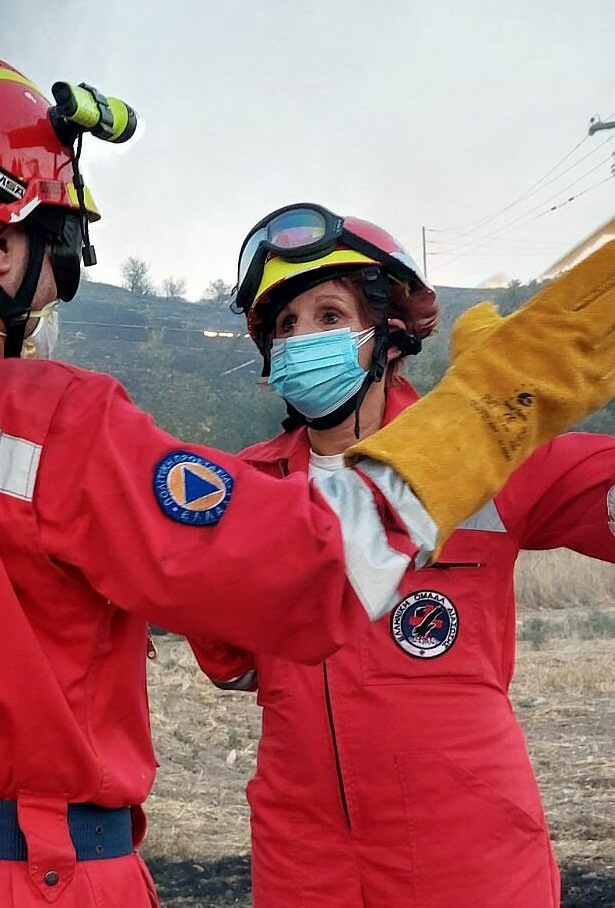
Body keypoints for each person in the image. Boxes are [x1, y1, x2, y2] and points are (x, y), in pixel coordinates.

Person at [0, 49, 614, 908]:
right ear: (0, 242)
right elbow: (308, 571)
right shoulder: (61, 422)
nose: (48, 304)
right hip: (47, 877)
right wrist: (496, 401)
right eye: (53, 264)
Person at [188, 202, 615, 908]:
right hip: (303, 858)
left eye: (328, 316)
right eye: (286, 327)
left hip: (471, 853)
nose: (301, 341)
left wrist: (517, 414)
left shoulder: (478, 446)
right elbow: (228, 665)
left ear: (387, 334)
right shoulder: (243, 487)